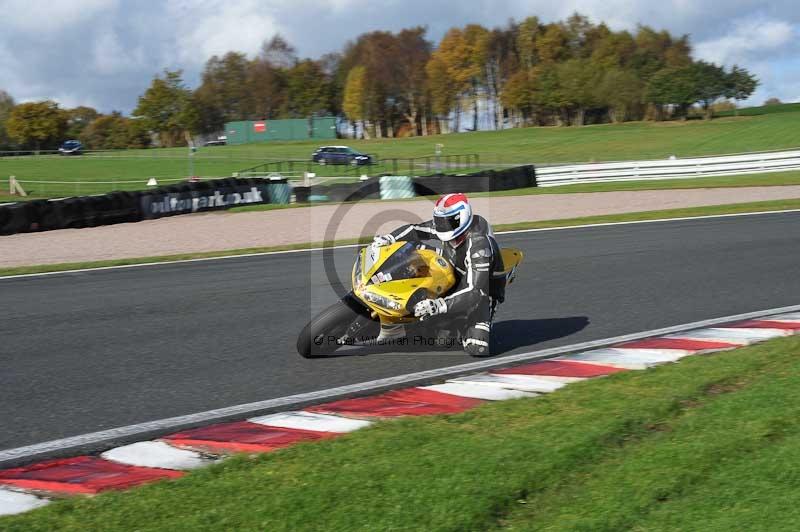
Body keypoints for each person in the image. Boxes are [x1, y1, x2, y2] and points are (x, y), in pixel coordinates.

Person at [372, 193, 504, 356]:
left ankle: (461, 324)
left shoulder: (478, 246)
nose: (442, 225)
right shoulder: (447, 225)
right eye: (439, 221)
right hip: (453, 271)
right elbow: (415, 229)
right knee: (413, 254)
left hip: (483, 291)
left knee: (476, 347)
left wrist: (438, 306)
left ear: (461, 218)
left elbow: (475, 291)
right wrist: (389, 238)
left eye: (447, 221)